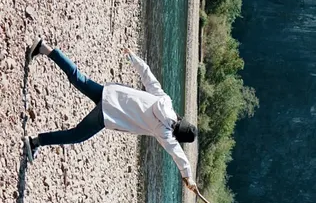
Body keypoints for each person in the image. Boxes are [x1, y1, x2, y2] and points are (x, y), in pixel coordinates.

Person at [24, 38, 197, 190]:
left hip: (111, 93)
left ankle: (43, 47)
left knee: (78, 78)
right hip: (109, 113)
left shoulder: (166, 101)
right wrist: (187, 177)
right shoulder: (164, 132)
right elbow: (177, 155)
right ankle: (35, 142)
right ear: (179, 137)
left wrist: (133, 58)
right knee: (76, 135)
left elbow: (148, 77)